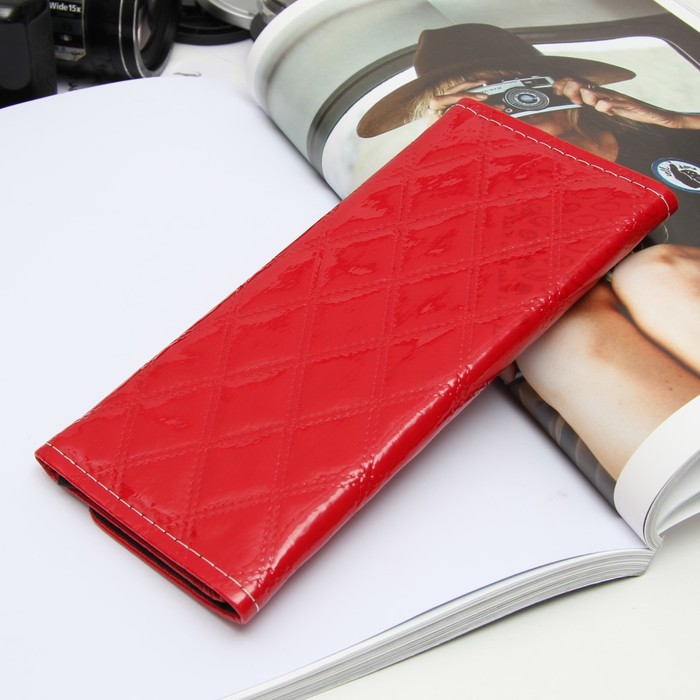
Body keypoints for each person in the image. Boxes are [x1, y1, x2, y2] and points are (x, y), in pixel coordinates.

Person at [358, 24, 700, 480]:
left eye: (513, 84)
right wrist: (458, 155)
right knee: (557, 333)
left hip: (674, 275)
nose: (512, 102)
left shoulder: (660, 134)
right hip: (601, 335)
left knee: (653, 272)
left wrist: (678, 122)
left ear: (562, 83)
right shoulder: (476, 198)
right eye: (482, 97)